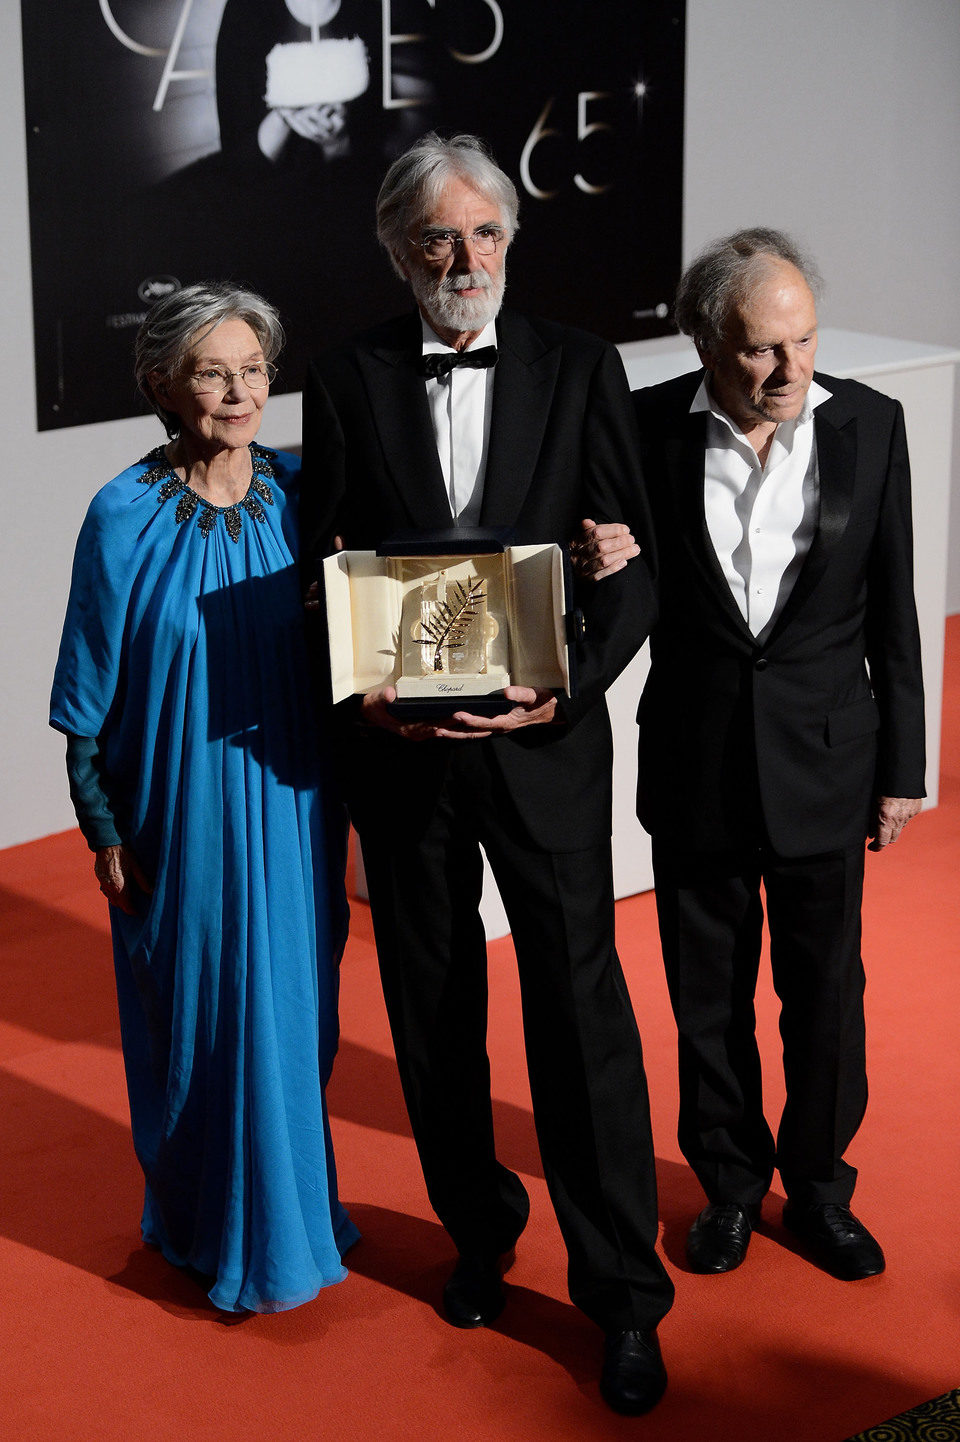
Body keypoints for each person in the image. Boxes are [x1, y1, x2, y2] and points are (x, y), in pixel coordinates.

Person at [300, 133, 674, 1415]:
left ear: (514, 240)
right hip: (405, 760)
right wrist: (368, 686)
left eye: (487, 234)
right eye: (439, 238)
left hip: (546, 750)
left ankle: (623, 1291)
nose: (466, 260)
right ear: (401, 251)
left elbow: (634, 572)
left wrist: (562, 684)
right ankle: (481, 1231)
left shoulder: (581, 365)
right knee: (432, 1008)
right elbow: (326, 567)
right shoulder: (346, 375)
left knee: (581, 1021)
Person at [584, 228, 925, 1281]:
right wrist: (595, 563)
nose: (788, 371)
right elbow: (618, 586)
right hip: (697, 760)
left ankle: (820, 1188)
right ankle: (730, 1185)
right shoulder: (641, 429)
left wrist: (906, 764)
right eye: (759, 350)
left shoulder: (870, 423)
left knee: (824, 993)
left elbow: (895, 609)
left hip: (828, 756)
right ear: (702, 343)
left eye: (803, 342)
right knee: (708, 998)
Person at [50, 282, 358, 1314]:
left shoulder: (312, 490)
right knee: (192, 1023)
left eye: (255, 368)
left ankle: (292, 1221)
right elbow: (85, 705)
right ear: (162, 386)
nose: (240, 390)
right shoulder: (121, 516)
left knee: (296, 1017)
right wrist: (101, 829)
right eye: (213, 370)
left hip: (298, 807)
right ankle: (200, 1225)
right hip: (177, 822)